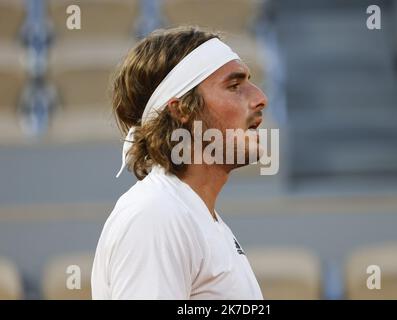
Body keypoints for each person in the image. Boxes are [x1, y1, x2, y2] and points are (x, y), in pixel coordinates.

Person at [91, 26, 267, 299]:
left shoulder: (192, 215)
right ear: (182, 109)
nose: (260, 98)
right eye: (234, 86)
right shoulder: (156, 215)